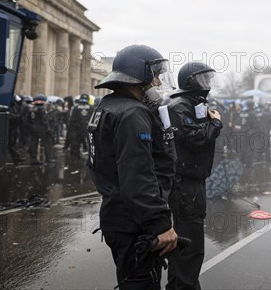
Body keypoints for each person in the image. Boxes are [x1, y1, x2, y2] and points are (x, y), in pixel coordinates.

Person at [86, 44, 179, 290]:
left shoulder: (107, 106)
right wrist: (160, 224)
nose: (159, 82)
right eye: (155, 74)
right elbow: (138, 175)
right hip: (135, 224)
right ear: (140, 74)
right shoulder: (132, 114)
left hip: (116, 215)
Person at [167, 61, 222, 290]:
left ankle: (179, 285)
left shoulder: (194, 103)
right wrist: (216, 123)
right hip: (184, 184)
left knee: (187, 244)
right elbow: (195, 138)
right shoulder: (180, 105)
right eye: (203, 79)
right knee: (190, 246)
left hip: (192, 181)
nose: (207, 83)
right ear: (191, 81)